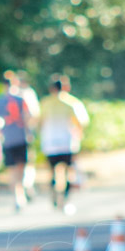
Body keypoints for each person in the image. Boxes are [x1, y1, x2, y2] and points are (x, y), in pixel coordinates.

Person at [38, 76, 89, 213]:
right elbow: (82, 122)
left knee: (53, 172)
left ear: (51, 88)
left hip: (49, 143)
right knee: (68, 172)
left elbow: (39, 122)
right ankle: (65, 199)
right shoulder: (72, 102)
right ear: (66, 87)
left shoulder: (45, 102)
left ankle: (54, 193)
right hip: (67, 142)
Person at [0, 75, 37, 212]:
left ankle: (17, 197)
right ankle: (22, 191)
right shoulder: (21, 99)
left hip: (8, 139)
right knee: (22, 168)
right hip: (21, 137)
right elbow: (29, 115)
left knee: (12, 170)